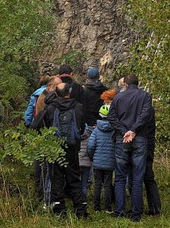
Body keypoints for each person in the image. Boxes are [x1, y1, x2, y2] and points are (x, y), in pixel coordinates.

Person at [36, 82, 88, 218]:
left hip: (55, 148)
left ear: (56, 94)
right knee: (74, 179)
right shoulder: (79, 107)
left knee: (57, 179)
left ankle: (59, 210)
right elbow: (81, 129)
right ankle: (80, 210)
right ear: (68, 92)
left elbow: (44, 127)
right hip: (72, 149)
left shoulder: (51, 108)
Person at [107, 73, 153, 222]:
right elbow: (145, 115)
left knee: (120, 176)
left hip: (122, 138)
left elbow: (111, 117)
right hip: (139, 137)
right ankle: (136, 214)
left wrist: (124, 131)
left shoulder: (118, 98)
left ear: (125, 83)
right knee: (138, 177)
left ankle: (119, 211)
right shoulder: (145, 96)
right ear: (137, 83)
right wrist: (134, 130)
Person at [88, 104, 115, 213]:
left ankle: (97, 207)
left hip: (97, 162)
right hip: (110, 162)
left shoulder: (96, 130)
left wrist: (92, 157)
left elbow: (91, 146)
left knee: (97, 184)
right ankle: (108, 208)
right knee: (108, 185)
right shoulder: (114, 130)